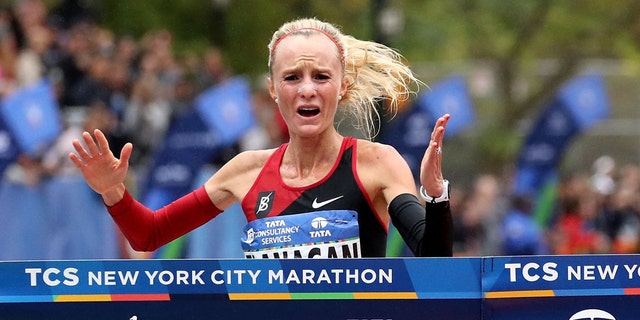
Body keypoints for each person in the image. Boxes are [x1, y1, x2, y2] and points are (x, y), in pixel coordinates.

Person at [69, 17, 453, 259]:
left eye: (321, 77)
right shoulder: (245, 170)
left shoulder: (377, 162)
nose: (306, 90)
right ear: (273, 90)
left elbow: (435, 259)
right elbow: (150, 234)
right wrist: (112, 192)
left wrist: (435, 196)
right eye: (292, 78)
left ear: (342, 87)